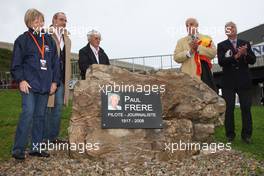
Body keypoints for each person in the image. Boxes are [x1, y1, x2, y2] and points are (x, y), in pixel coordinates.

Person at [10, 8, 60, 160]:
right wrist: (21, 80)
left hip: (45, 85)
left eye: (41, 20)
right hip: (29, 85)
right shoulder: (22, 40)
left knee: (40, 116)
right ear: (29, 23)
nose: (39, 23)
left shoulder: (49, 40)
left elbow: (56, 64)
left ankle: (35, 148)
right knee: (28, 114)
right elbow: (16, 63)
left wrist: (54, 82)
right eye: (36, 21)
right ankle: (18, 149)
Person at [217, 21, 256, 143]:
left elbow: (253, 60)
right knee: (229, 109)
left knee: (245, 108)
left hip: (244, 81)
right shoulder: (221, 45)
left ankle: (247, 135)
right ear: (226, 32)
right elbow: (221, 62)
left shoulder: (245, 43)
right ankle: (230, 135)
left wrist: (245, 54)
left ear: (236, 29)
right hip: (228, 82)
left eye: (232, 27)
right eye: (228, 28)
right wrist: (236, 56)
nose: (230, 29)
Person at [44, 12, 71, 144]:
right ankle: (43, 138)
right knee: (46, 108)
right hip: (47, 78)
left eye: (65, 20)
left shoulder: (67, 38)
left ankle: (53, 137)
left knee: (58, 107)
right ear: (54, 20)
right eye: (61, 19)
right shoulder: (45, 34)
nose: (64, 22)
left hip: (61, 79)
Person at [174, 18, 217, 91]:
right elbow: (176, 57)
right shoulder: (181, 42)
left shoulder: (206, 38)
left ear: (197, 25)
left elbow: (213, 53)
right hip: (189, 76)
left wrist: (198, 48)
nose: (189, 27)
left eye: (191, 24)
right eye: (187, 25)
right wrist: (189, 52)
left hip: (205, 73)